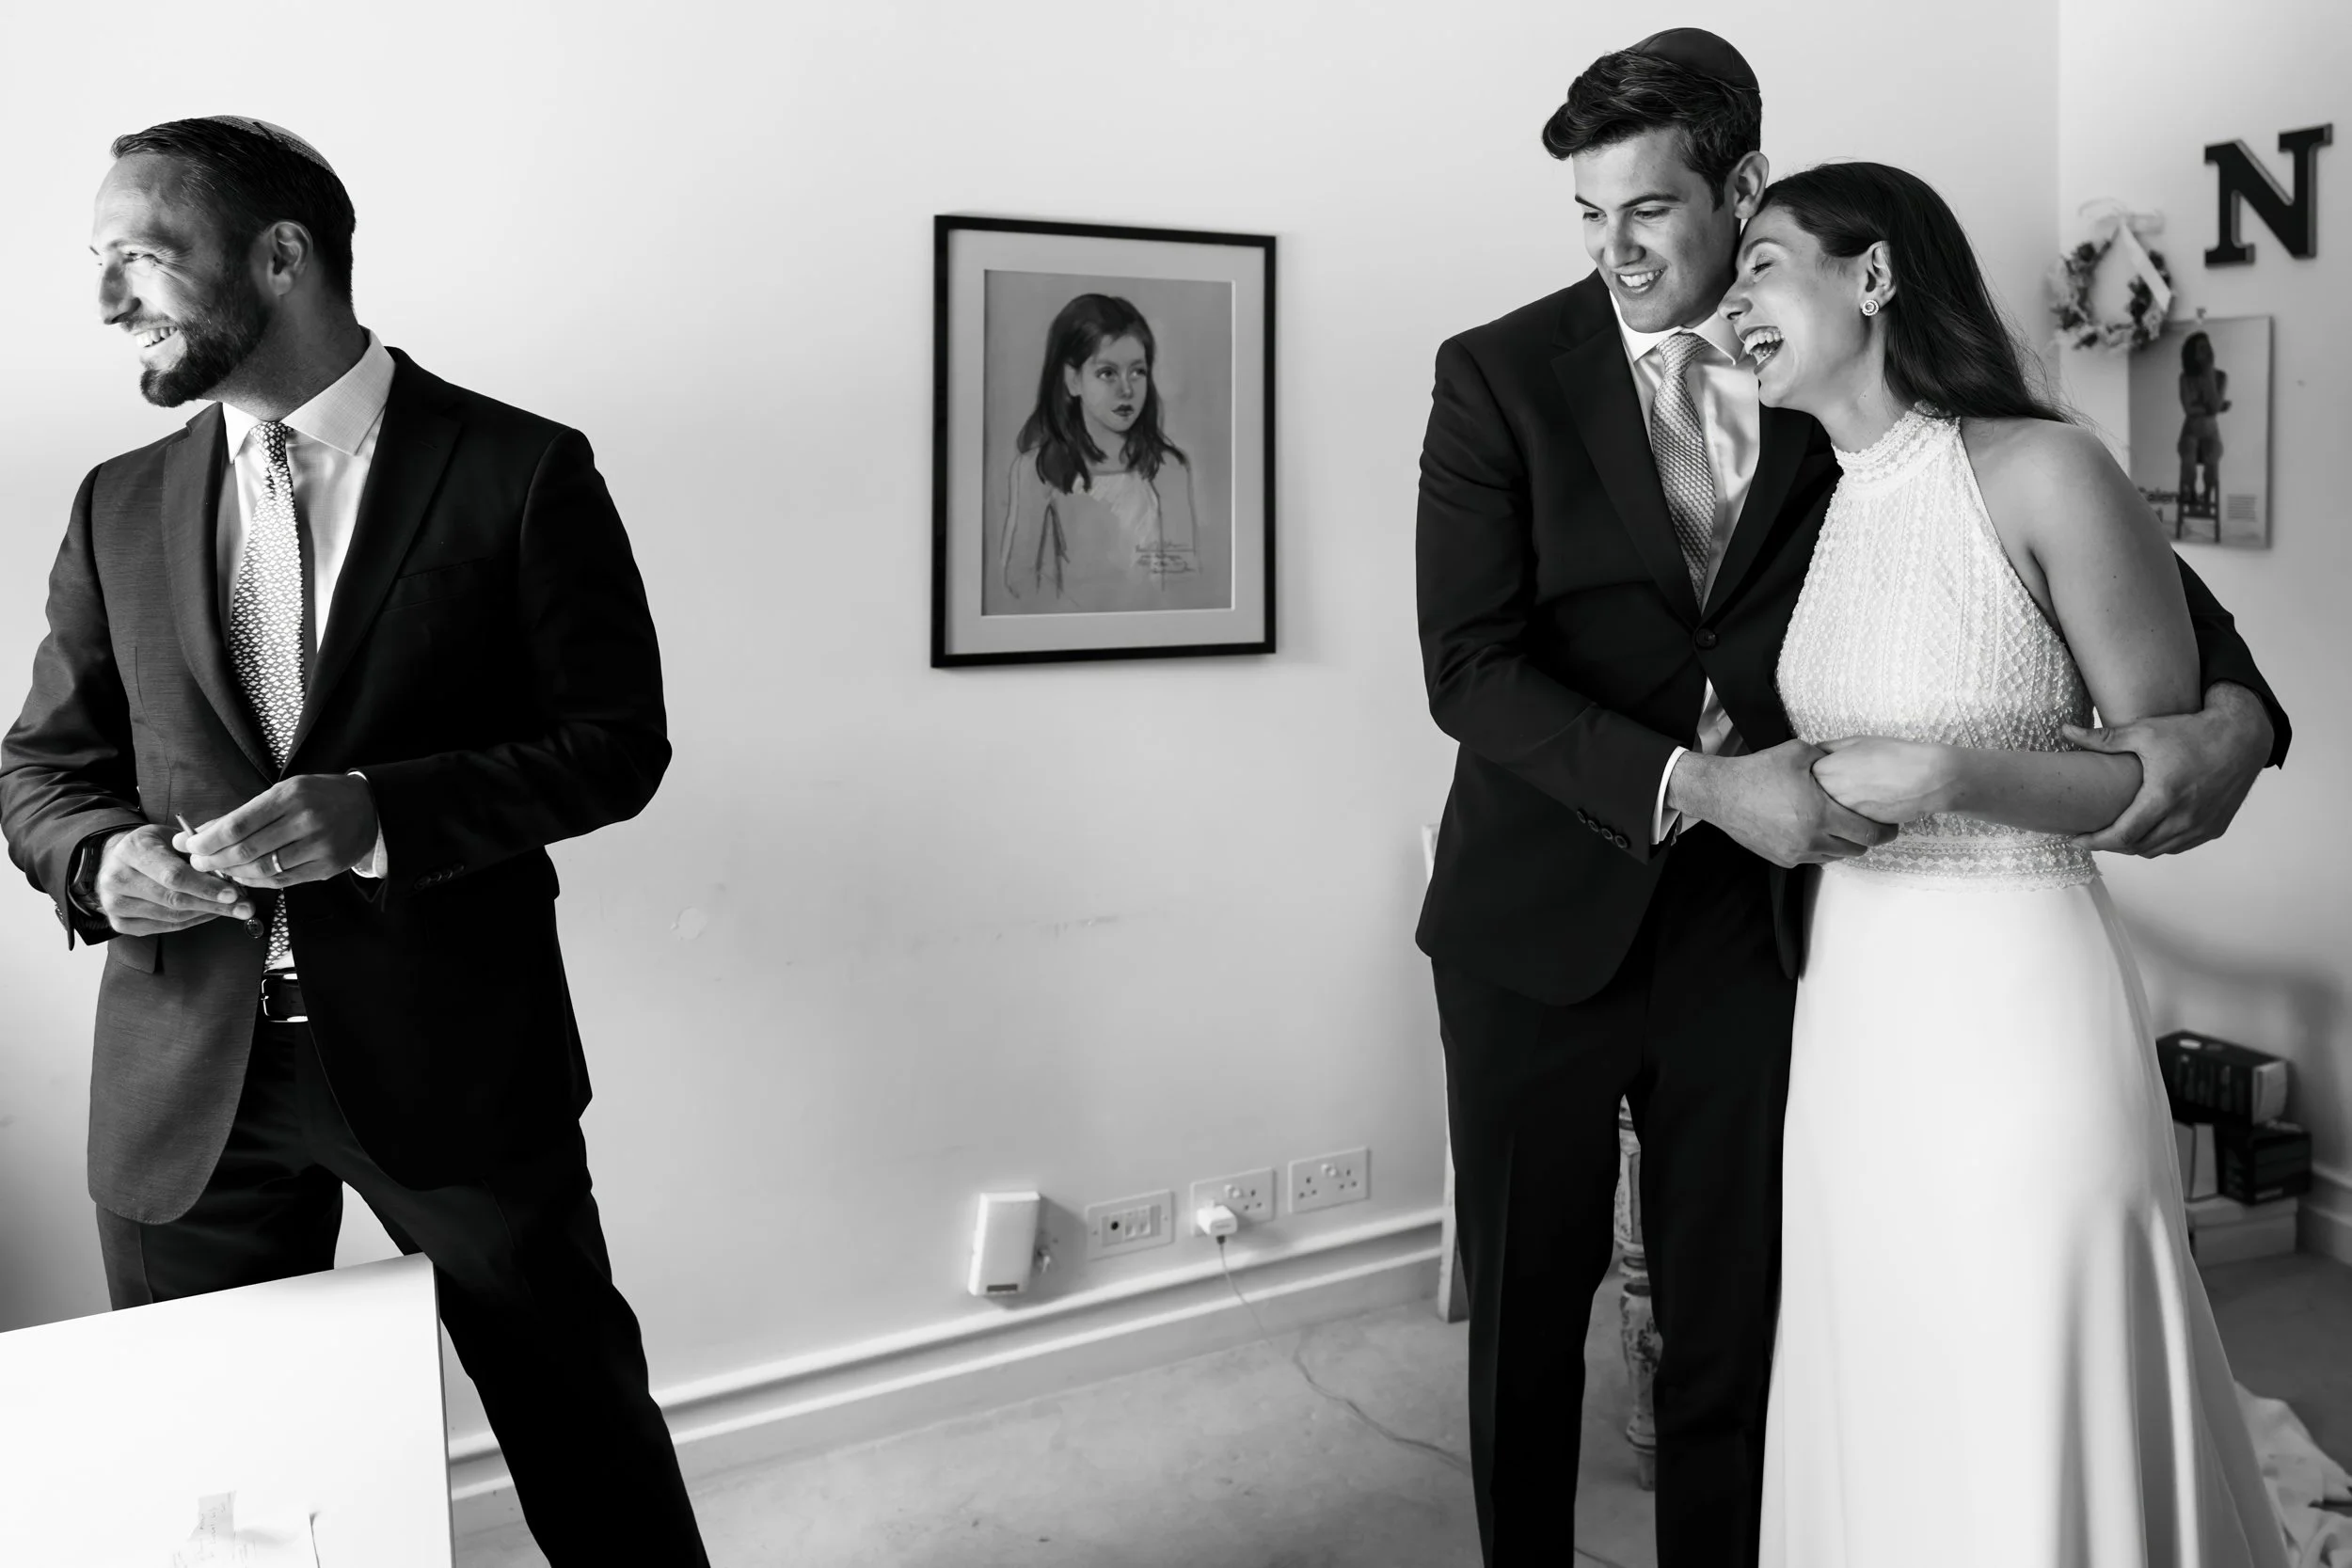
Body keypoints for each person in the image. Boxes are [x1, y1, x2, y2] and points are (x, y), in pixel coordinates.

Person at [1412, 30, 2289, 1568]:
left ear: (1739, 183)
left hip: (1767, 941)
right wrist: (1699, 783)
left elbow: (2094, 548)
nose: (1618, 251)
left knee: (1742, 1328)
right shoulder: (1496, 373)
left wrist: (2241, 713)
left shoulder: (1832, 383)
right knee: (1528, 1331)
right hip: (1537, 920)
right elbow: (1469, 668)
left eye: (1650, 210)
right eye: (1590, 216)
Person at [0, 118, 708, 1562]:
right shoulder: (116, 500)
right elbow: (44, 767)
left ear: (282, 256)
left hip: (457, 1062)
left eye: (143, 256)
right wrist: (99, 860)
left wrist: (384, 810)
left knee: (582, 1434)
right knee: (225, 1486)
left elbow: (615, 741)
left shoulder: (518, 468)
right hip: (184, 1081)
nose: (110, 300)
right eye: (100, 261)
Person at [1726, 161, 2288, 1568]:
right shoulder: (1827, 498)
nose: (1734, 306)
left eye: (1763, 265)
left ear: (1872, 275)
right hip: (1854, 998)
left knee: (2031, 1333)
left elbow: (2161, 778)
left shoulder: (2045, 468)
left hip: (2016, 997)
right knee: (1889, 1343)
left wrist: (1952, 775)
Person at [995, 292, 1203, 612]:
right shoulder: (1038, 470)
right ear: (1073, 380)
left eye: (1138, 371)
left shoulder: (1167, 469)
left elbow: (1183, 583)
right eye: (1108, 373)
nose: (1127, 389)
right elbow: (1019, 584)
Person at [2177, 328, 2230, 531]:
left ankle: (2207, 497)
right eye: (2201, 348)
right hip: (2190, 431)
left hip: (2210, 432)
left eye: (2208, 347)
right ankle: (2190, 493)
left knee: (2212, 454)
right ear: (2193, 353)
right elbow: (2189, 409)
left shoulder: (2220, 376)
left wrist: (2208, 376)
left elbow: (2212, 407)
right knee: (2188, 450)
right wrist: (2213, 408)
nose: (2207, 351)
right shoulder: (2185, 378)